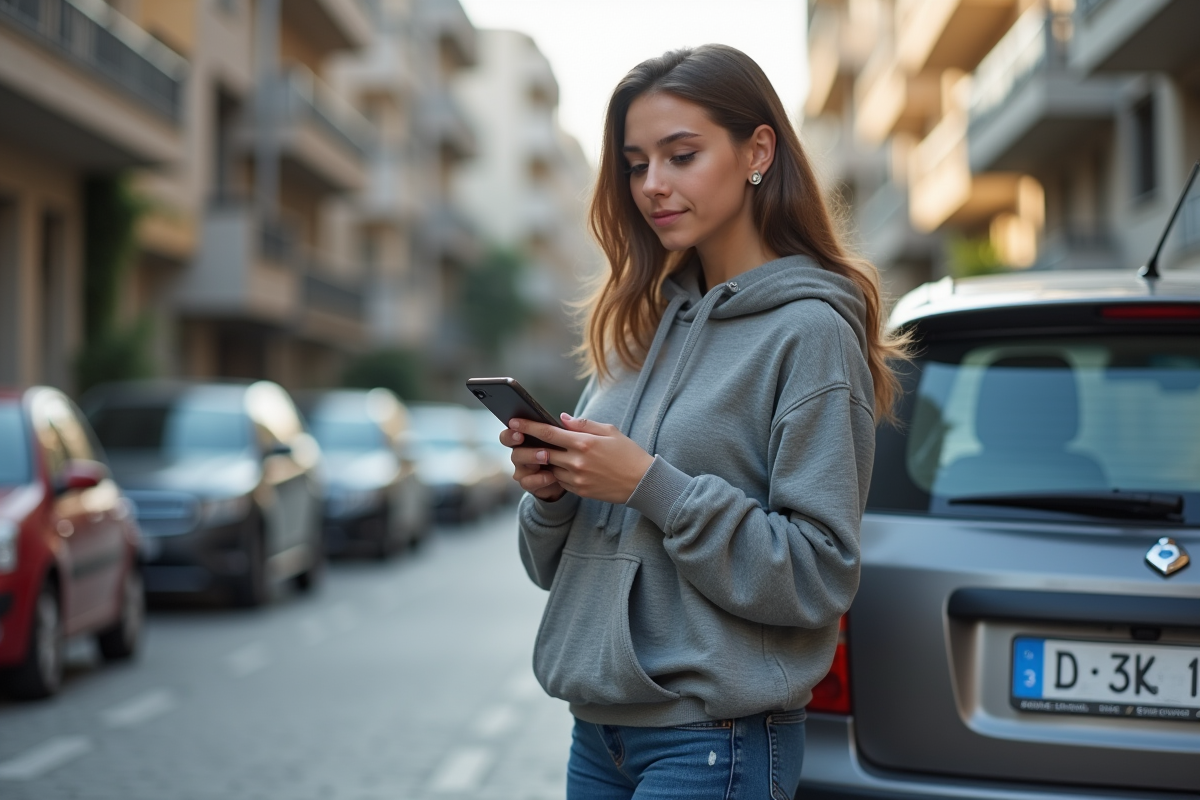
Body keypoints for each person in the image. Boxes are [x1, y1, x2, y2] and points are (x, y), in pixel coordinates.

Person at [499, 44, 908, 799]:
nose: (653, 185)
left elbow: (819, 574)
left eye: (681, 155)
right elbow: (546, 568)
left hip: (713, 740)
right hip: (598, 734)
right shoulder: (637, 327)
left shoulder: (810, 333)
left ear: (758, 151)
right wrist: (554, 495)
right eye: (635, 162)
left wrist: (652, 485)